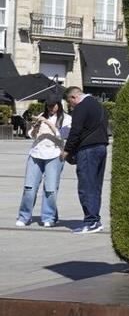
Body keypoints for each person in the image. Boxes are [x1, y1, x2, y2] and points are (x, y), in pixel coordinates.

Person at [15, 95, 71, 228]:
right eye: (49, 106)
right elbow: (31, 135)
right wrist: (35, 127)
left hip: (54, 155)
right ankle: (24, 216)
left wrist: (47, 122)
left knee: (50, 189)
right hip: (36, 154)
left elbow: (63, 134)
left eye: (53, 105)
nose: (51, 108)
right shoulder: (41, 115)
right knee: (29, 187)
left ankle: (49, 217)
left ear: (59, 105)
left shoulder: (67, 119)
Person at [62, 87, 110, 234]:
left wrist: (67, 150)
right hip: (102, 148)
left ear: (73, 97)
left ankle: (90, 222)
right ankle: (96, 220)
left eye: (69, 103)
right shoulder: (99, 106)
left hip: (88, 150)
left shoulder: (81, 107)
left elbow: (75, 131)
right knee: (95, 186)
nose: (70, 107)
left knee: (86, 186)